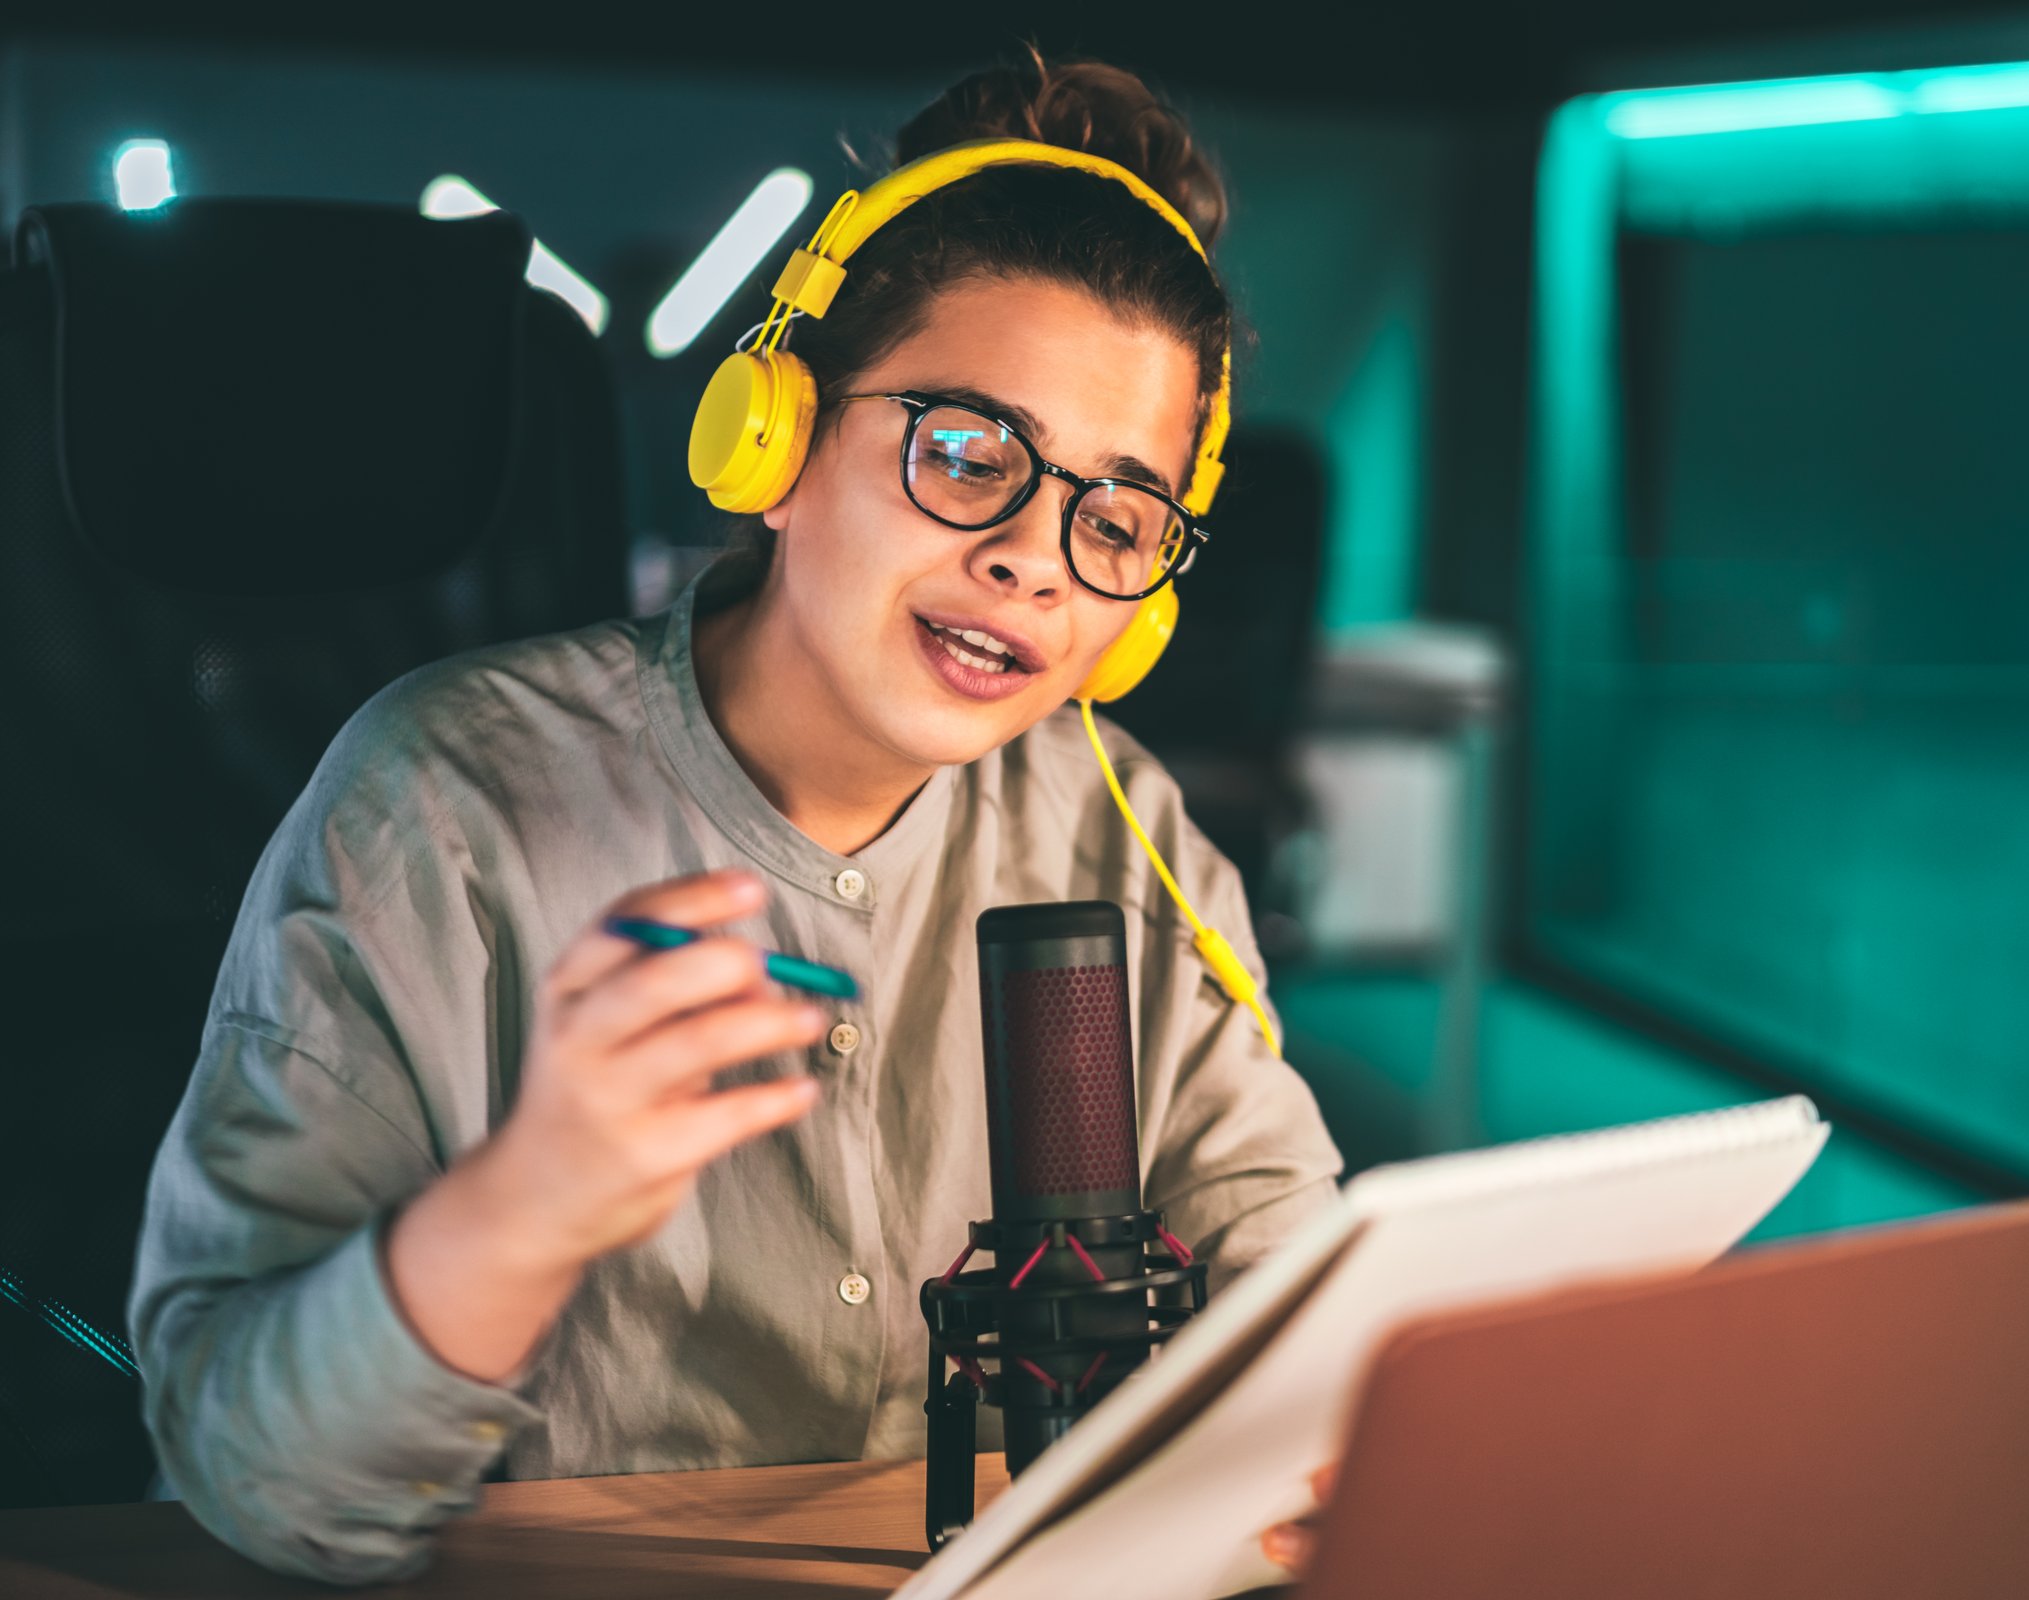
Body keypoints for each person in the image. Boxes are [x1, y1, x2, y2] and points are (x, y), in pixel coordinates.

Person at [130, 54, 1343, 1585]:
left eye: (1116, 517)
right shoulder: (440, 804)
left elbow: (1287, 1262)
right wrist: (522, 1212)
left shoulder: (1133, 838)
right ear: (770, 437)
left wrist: (1319, 1412)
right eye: (968, 453)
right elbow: (249, 1482)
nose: (1039, 561)